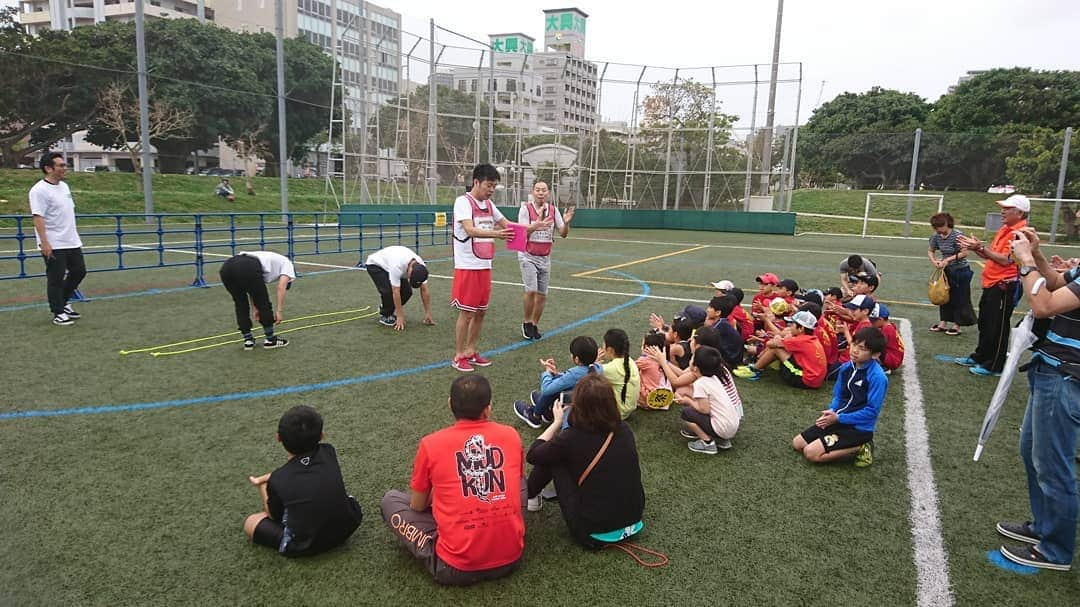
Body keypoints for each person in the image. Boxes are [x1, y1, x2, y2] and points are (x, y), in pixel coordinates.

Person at [381, 375, 524, 585]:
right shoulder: (511, 435)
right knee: (520, 481)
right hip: (511, 558)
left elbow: (418, 505)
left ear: (450, 404)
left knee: (390, 500)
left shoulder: (431, 444)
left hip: (455, 568)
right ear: (488, 407)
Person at [993, 228, 1080, 571]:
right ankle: (1044, 526)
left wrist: (1026, 261)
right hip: (1051, 368)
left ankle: (1056, 548)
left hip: (1065, 375)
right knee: (1032, 452)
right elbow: (1058, 282)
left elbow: (1044, 304)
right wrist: (1039, 256)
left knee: (1053, 465)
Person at [524, 374, 645, 548]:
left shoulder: (570, 438)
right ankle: (531, 496)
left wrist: (557, 422)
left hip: (593, 533)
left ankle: (530, 496)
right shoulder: (624, 429)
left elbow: (533, 454)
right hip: (634, 521)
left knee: (553, 457)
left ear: (578, 405)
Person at [243, 406, 363, 556]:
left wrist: (262, 485)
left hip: (308, 545)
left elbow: (275, 516)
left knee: (251, 522)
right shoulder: (328, 452)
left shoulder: (278, 479)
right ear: (322, 435)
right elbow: (301, 471)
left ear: (278, 438)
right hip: (347, 526)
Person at [450, 164, 516, 372]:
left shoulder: (489, 204)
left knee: (480, 312)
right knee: (466, 313)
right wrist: (497, 234)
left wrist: (532, 228)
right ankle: (459, 355)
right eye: (489, 185)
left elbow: (507, 224)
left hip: (484, 264)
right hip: (468, 266)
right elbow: (469, 229)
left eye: (494, 186)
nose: (491, 190)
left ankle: (471, 351)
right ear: (476, 182)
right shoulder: (463, 202)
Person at [791, 327, 888, 467]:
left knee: (810, 453)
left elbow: (872, 411)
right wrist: (832, 410)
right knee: (797, 444)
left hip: (858, 428)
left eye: (862, 348)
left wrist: (838, 418)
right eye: (854, 344)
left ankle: (861, 446)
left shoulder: (878, 377)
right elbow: (838, 395)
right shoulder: (846, 368)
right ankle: (841, 441)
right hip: (838, 420)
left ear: (875, 354)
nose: (855, 350)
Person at [956, 194, 1030, 377]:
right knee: (986, 322)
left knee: (998, 325)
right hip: (993, 283)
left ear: (1019, 213)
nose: (1002, 212)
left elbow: (1005, 260)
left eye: (1007, 209)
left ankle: (995, 365)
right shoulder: (1006, 229)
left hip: (1005, 286)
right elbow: (993, 255)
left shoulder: (1020, 234)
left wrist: (980, 248)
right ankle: (981, 356)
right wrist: (979, 248)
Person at [30, 151, 86, 326]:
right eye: (60, 165)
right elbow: (38, 217)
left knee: (79, 271)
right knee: (56, 277)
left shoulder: (64, 187)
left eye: (64, 165)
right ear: (48, 168)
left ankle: (63, 301)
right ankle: (58, 312)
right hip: (53, 242)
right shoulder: (38, 190)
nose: (64, 168)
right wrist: (44, 242)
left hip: (71, 240)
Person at [518, 180, 571, 340]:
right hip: (528, 255)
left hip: (545, 257)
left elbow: (563, 233)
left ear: (548, 193)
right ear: (533, 192)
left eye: (543, 190)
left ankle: (534, 324)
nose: (540, 192)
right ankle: (526, 322)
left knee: (542, 294)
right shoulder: (525, 209)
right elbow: (522, 232)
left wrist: (566, 223)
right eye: (538, 190)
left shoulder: (553, 210)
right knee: (531, 290)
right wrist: (536, 225)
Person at [513, 335, 600, 428]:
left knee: (553, 388)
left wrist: (547, 372)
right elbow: (567, 378)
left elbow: (547, 389)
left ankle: (535, 416)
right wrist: (556, 373)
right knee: (558, 383)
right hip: (588, 409)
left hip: (574, 415)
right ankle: (547, 412)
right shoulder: (598, 368)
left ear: (577, 359)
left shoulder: (575, 374)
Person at [218, 250, 295, 350]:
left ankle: (248, 340)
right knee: (263, 302)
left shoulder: (273, 261)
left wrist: (255, 308)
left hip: (227, 267)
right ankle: (270, 340)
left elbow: (251, 289)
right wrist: (279, 311)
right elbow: (281, 287)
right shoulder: (288, 265)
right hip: (248, 266)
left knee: (240, 303)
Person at [733, 310, 827, 389]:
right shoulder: (811, 338)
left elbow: (770, 344)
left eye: (792, 324)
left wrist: (777, 336)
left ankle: (755, 370)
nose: (790, 327)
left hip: (806, 380)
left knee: (775, 349)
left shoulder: (799, 340)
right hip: (815, 379)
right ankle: (755, 366)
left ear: (801, 328)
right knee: (778, 347)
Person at [677, 345, 744, 455]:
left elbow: (704, 410)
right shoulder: (714, 378)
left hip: (723, 428)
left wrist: (687, 401)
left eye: (692, 357)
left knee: (687, 413)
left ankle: (707, 443)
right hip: (733, 425)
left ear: (695, 368)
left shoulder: (701, 383)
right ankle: (722, 440)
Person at [364, 245, 434, 330]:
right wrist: (400, 316)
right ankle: (385, 315)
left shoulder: (421, 267)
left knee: (407, 292)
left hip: (393, 262)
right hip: (376, 265)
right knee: (388, 292)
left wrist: (427, 313)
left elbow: (424, 290)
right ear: (410, 272)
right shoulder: (397, 266)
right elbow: (395, 291)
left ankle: (386, 306)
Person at [927, 212, 974, 335]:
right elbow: (931, 251)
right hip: (946, 271)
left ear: (947, 224)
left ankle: (957, 325)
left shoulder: (958, 235)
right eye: (936, 227)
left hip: (961, 270)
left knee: (960, 297)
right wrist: (935, 261)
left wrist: (948, 259)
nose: (938, 230)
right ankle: (943, 323)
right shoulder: (936, 236)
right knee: (944, 296)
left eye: (940, 226)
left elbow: (965, 253)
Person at [597, 328, 641, 420]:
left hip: (617, 414)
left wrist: (594, 362)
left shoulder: (610, 368)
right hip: (629, 409)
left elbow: (587, 377)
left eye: (603, 344)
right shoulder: (630, 361)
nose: (602, 347)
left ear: (610, 350)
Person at [869, 304, 904, 372]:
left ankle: (884, 366)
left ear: (880, 319)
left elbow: (878, 344)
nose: (871, 323)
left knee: (873, 346)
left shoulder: (887, 329)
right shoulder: (889, 325)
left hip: (892, 360)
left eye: (873, 321)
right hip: (894, 358)